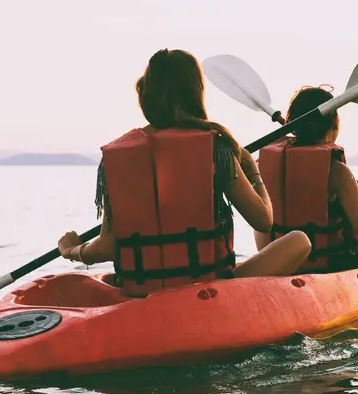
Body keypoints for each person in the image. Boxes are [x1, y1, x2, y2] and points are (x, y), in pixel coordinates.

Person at [55, 48, 311, 297]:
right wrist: (253, 171)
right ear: (195, 94)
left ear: (145, 94)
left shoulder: (117, 157)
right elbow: (263, 220)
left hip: (143, 292)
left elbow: (107, 247)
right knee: (299, 240)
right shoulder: (216, 147)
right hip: (210, 289)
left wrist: (74, 249)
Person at [254, 85, 358, 274]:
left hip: (282, 263)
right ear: (334, 123)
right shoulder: (337, 172)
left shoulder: (263, 164)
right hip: (330, 266)